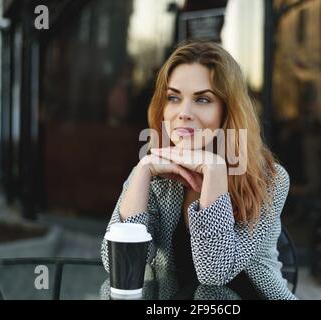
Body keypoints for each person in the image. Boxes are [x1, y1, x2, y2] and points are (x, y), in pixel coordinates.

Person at [101, 40, 297, 300]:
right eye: (173, 98)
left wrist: (215, 171)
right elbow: (118, 264)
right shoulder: (154, 172)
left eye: (203, 99)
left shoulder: (269, 179)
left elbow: (214, 274)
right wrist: (143, 171)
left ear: (227, 110)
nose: (184, 113)